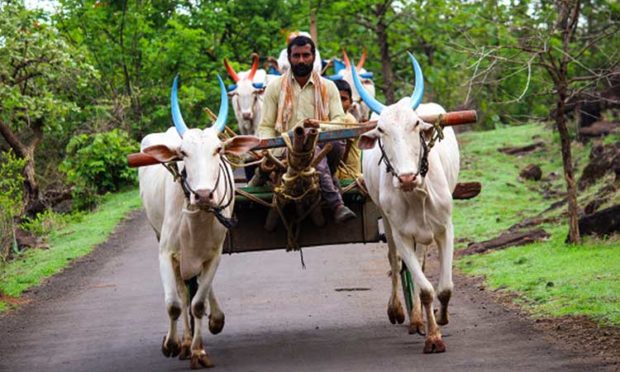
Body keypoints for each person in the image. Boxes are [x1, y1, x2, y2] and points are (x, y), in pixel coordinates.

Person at [258, 35, 356, 224]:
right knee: (308, 149)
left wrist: (318, 126)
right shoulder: (274, 88)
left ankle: (329, 190)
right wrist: (271, 151)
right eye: (296, 56)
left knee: (321, 145)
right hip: (286, 152)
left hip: (326, 152)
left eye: (306, 55)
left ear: (313, 57)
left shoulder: (329, 87)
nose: (301, 60)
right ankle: (336, 204)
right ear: (289, 58)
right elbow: (266, 127)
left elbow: (340, 121)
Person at [333, 79, 362, 179]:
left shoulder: (348, 120)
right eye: (336, 99)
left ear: (350, 102)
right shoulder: (328, 120)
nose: (340, 103)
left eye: (343, 99)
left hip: (346, 172)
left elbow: (343, 157)